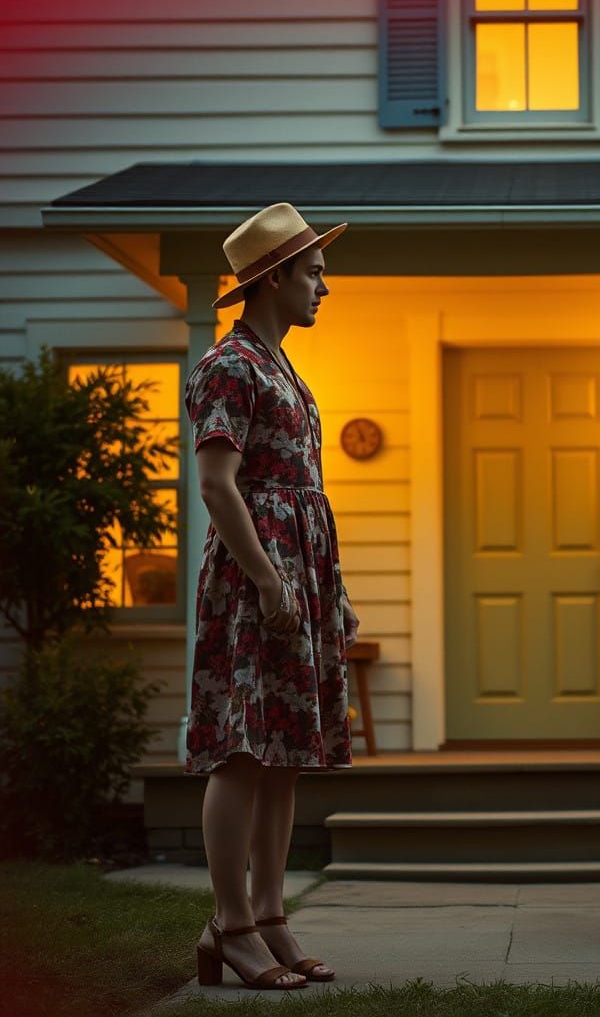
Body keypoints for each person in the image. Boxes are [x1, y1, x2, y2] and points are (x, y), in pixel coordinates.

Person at [184, 203, 360, 990]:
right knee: (241, 748)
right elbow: (219, 486)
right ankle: (229, 925)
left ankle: (271, 915)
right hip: (255, 580)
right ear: (275, 277)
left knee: (285, 754)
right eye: (314, 272)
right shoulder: (231, 366)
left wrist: (333, 592)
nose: (325, 285)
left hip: (298, 578)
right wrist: (265, 578)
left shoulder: (283, 366)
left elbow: (306, 493)